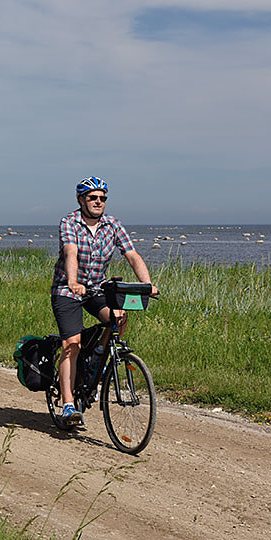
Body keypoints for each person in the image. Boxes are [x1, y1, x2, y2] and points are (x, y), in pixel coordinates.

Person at [51, 176, 158, 427]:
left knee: (119, 317)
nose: (98, 202)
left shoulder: (113, 224)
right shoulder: (70, 222)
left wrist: (147, 284)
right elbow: (71, 252)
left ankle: (96, 358)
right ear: (81, 200)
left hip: (96, 289)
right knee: (71, 345)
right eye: (92, 198)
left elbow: (132, 254)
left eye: (102, 198)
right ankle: (68, 406)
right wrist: (74, 282)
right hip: (68, 291)